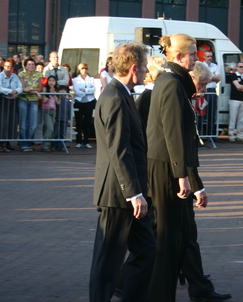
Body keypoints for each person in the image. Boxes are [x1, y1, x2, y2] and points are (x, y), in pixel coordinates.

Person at [89, 42, 155, 302]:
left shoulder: (121, 93)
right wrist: (134, 193)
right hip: (119, 193)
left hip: (129, 190)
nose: (148, 70)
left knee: (147, 250)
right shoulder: (115, 97)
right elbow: (119, 150)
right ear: (133, 67)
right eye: (145, 66)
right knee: (108, 259)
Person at [146, 33, 200, 301]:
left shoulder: (171, 80)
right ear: (178, 56)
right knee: (167, 235)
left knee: (176, 233)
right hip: (165, 167)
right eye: (192, 53)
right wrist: (182, 175)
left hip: (167, 164)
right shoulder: (170, 82)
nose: (196, 58)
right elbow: (173, 133)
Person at [182, 61, 232, 302]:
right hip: (174, 181)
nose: (202, 90)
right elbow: (180, 149)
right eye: (201, 84)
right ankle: (123, 282)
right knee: (164, 235)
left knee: (185, 236)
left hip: (179, 179)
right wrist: (195, 184)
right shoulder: (176, 98)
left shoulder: (184, 96)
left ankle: (198, 284)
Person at [0, 59, 22, 152]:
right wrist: (11, 91)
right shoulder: (0, 76)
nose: (7, 68)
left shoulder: (15, 76)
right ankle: (1, 144)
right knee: (2, 122)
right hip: (2, 100)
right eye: (6, 66)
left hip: (12, 101)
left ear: (13, 68)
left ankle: (7, 142)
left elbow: (20, 87)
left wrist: (17, 91)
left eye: (9, 66)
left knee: (11, 122)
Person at [17, 58, 41, 152]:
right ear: (25, 66)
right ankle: (24, 144)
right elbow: (23, 88)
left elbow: (39, 88)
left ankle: (28, 142)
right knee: (23, 124)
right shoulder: (21, 74)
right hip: (23, 100)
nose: (32, 66)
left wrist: (30, 90)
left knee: (33, 125)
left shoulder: (38, 74)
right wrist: (33, 90)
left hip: (34, 101)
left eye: (33, 64)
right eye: (29, 64)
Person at [73, 62, 96, 149]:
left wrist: (84, 90)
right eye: (82, 68)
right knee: (79, 122)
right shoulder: (76, 79)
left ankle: (86, 141)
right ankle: (78, 141)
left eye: (86, 68)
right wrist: (87, 91)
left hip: (89, 102)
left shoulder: (91, 79)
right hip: (79, 102)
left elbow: (93, 90)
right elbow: (77, 91)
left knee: (87, 121)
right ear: (79, 69)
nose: (84, 70)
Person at [228, 62, 243, 142]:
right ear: (236, 67)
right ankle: (231, 135)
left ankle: (240, 136)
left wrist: (242, 87)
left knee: (241, 119)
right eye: (240, 67)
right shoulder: (233, 75)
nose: (241, 68)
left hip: (242, 100)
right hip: (234, 100)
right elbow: (237, 87)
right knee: (233, 119)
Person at [201, 50, 220, 136]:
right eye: (207, 56)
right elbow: (201, 79)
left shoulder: (215, 66)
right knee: (201, 114)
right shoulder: (201, 66)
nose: (209, 58)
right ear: (204, 57)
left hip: (212, 91)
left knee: (212, 114)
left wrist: (209, 77)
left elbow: (218, 78)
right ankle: (200, 135)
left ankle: (211, 135)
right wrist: (213, 77)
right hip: (204, 92)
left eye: (210, 56)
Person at [40, 75, 59, 152]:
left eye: (53, 81)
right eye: (50, 80)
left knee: (49, 128)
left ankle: (48, 144)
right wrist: (50, 93)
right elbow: (44, 100)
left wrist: (54, 94)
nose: (51, 82)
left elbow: (58, 102)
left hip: (53, 110)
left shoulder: (56, 90)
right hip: (46, 110)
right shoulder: (45, 89)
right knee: (49, 128)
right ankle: (45, 145)